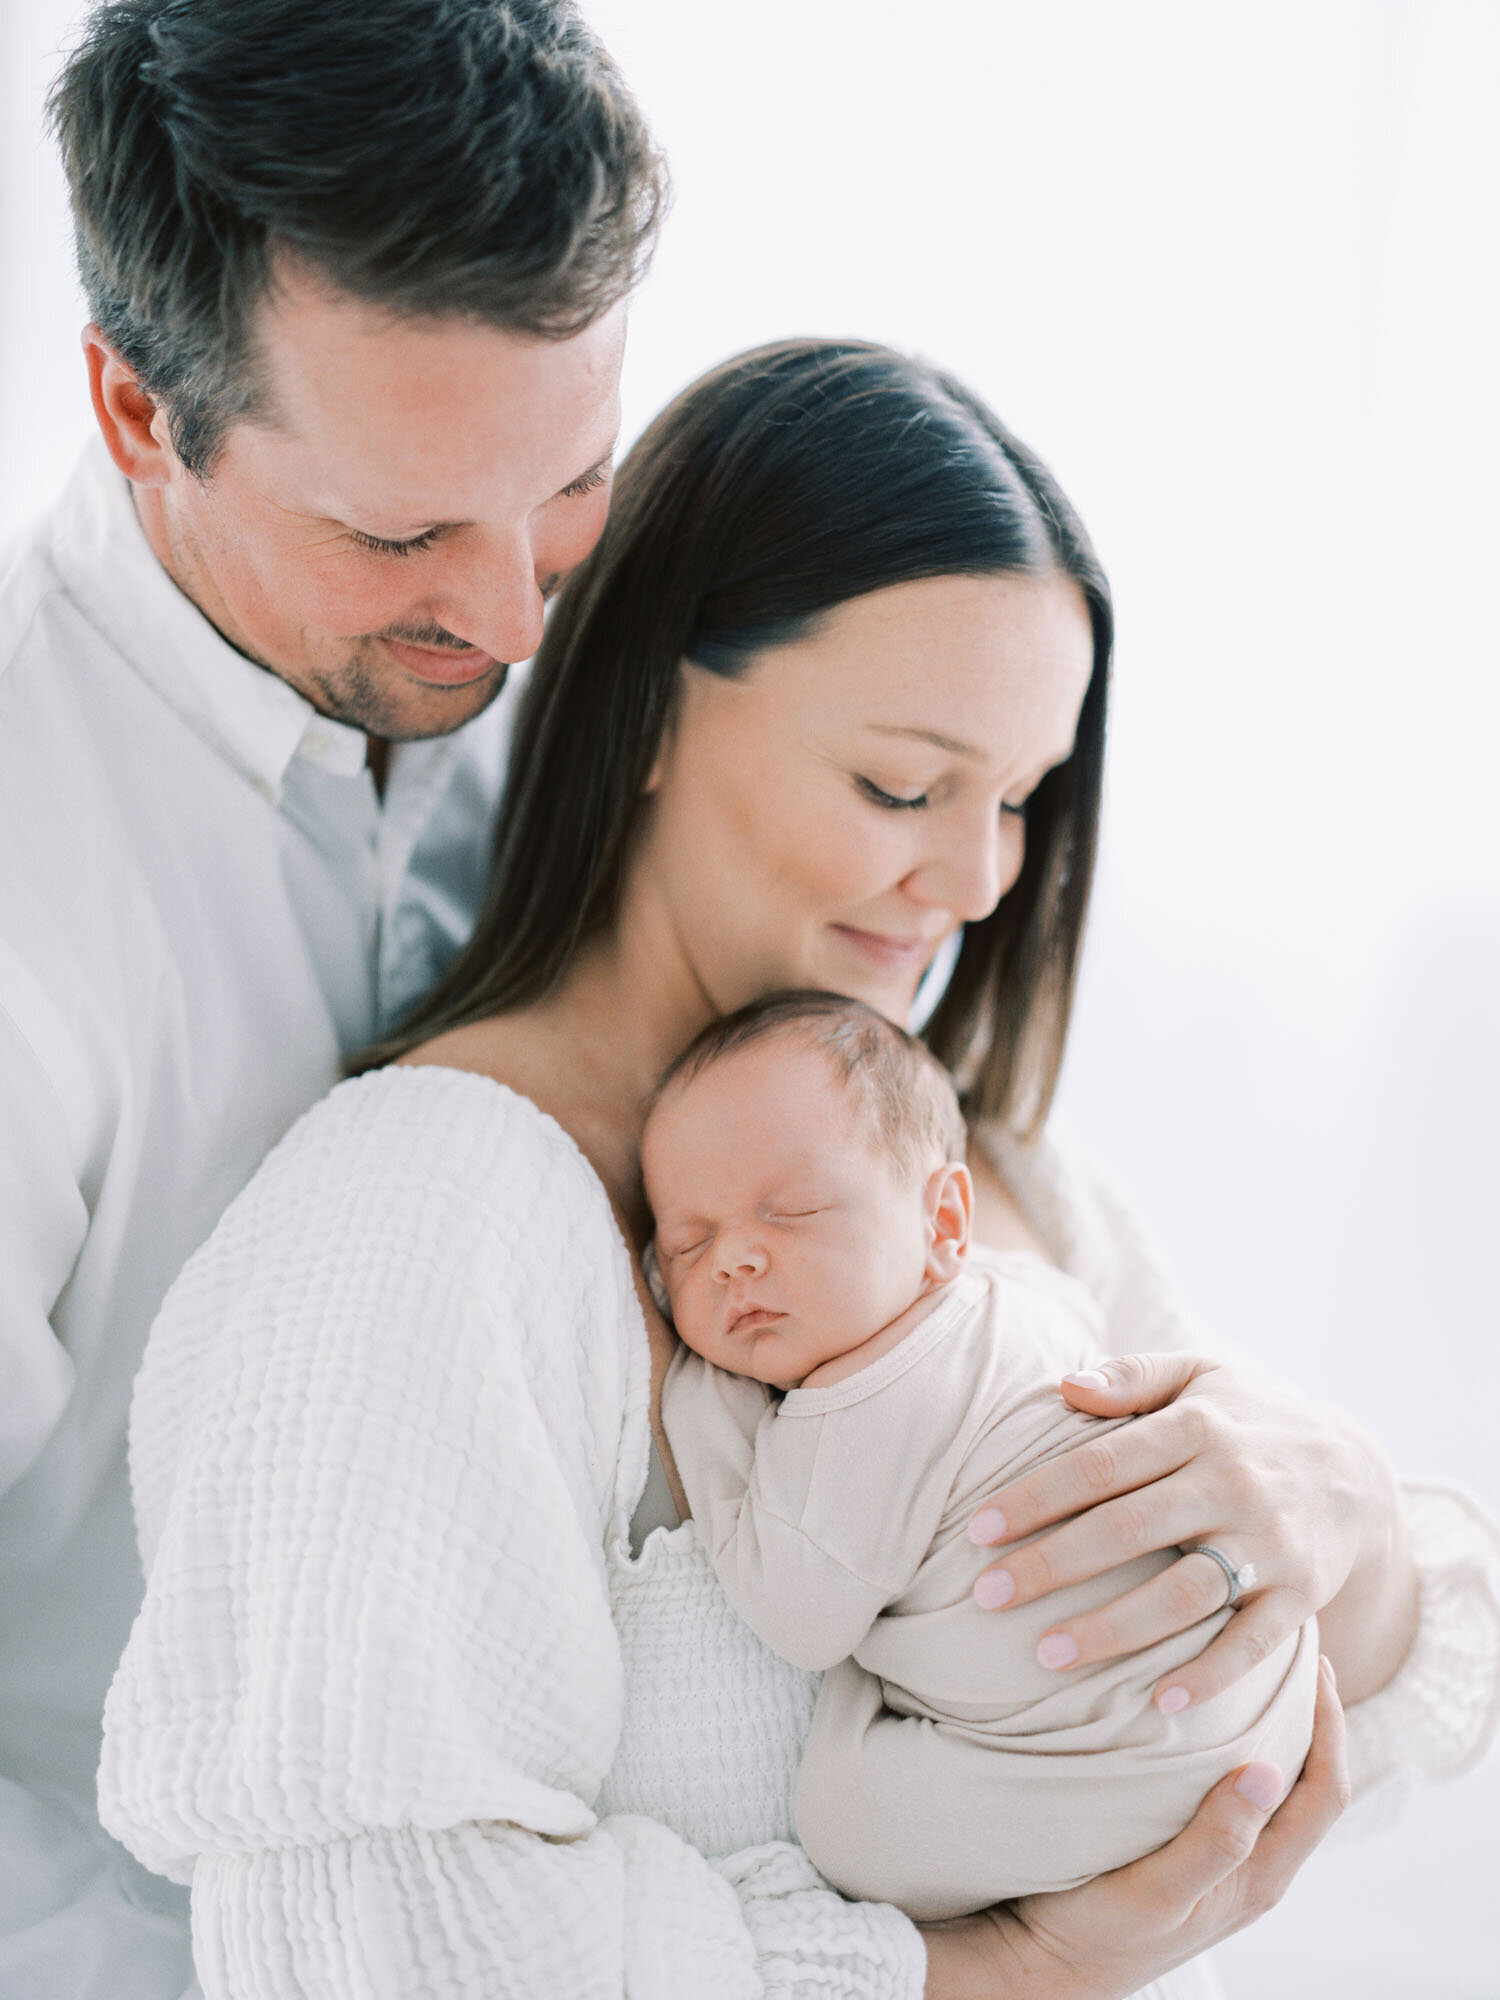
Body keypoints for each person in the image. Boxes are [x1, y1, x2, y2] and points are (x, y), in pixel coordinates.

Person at [98, 338, 1499, 1999]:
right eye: (902, 784)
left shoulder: (998, 1177)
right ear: (643, 716)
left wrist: (1351, 1521)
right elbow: (381, 1941)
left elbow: (1368, 1701)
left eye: (1021, 801)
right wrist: (997, 1971)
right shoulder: (425, 1220)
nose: (977, 878)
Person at [0, 2, 662, 1992]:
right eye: (398, 534)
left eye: (573, 482)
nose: (520, 614)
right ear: (136, 412)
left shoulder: (594, 671)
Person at [643, 989, 1317, 1916]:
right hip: (1263, 1697)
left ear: (944, 1221)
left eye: (790, 1211)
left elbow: (798, 1624)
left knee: (844, 1825)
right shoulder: (1032, 1296)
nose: (734, 1261)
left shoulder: (859, 1394)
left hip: (1120, 1770)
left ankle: (889, 1696)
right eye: (685, 1244)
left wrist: (703, 1397)